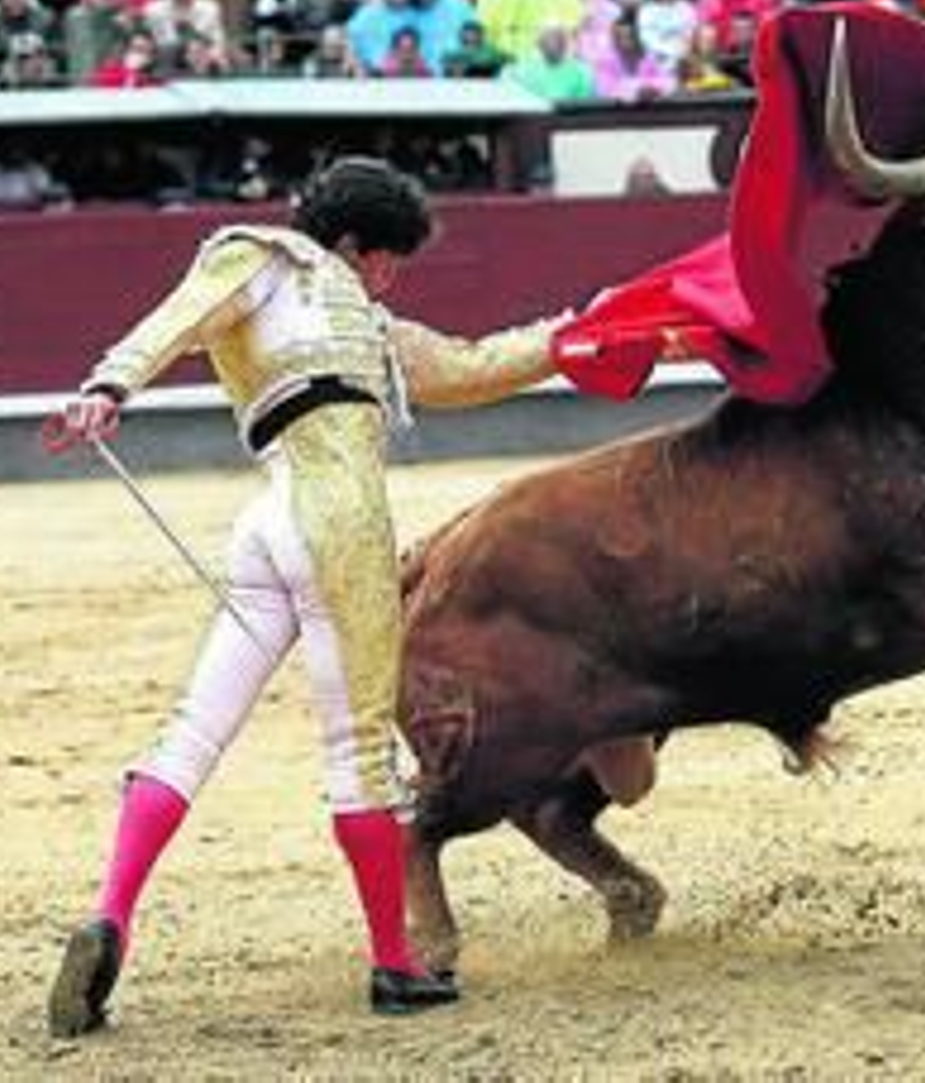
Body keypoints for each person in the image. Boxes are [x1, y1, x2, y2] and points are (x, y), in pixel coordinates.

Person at [44, 157, 580, 1037]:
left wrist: (109, 385)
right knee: (360, 750)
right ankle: (393, 964)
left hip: (266, 524)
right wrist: (585, 331)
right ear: (355, 245)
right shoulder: (309, 282)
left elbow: (476, 362)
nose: (390, 280)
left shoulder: (264, 272)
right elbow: (482, 366)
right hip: (341, 528)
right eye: (389, 261)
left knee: (191, 730)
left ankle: (112, 914)